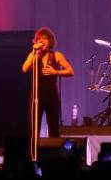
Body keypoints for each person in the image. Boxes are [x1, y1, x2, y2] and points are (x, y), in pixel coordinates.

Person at [21, 27, 74, 155]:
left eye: (44, 38)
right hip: (36, 95)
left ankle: (54, 155)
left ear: (50, 41)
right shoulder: (33, 54)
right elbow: (24, 68)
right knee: (33, 127)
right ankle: (32, 155)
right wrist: (34, 53)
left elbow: (70, 71)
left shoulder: (56, 55)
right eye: (39, 38)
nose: (42, 40)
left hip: (51, 94)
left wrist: (55, 71)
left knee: (53, 126)